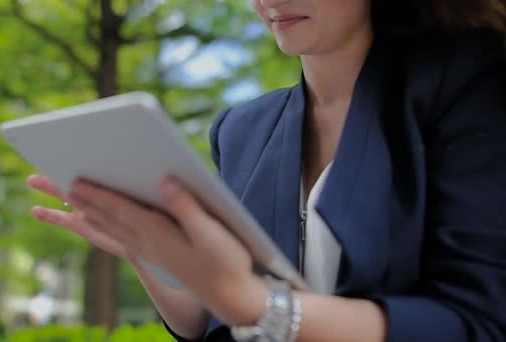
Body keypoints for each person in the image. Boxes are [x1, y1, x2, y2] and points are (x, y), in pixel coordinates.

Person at [27, 0, 506, 340]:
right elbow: (202, 319)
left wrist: (257, 307)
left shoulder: (471, 85)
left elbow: (477, 322)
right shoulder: (240, 129)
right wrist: (142, 246)